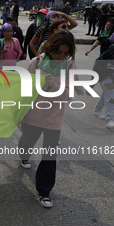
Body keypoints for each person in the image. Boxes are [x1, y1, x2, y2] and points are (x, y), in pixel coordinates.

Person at [18, 31, 76, 208]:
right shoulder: (36, 63)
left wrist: (54, 86)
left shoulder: (69, 65)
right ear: (51, 48)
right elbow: (23, 89)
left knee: (50, 156)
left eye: (66, 53)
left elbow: (69, 94)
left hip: (55, 118)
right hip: (32, 116)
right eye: (59, 52)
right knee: (27, 141)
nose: (62, 56)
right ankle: (24, 155)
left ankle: (44, 191)